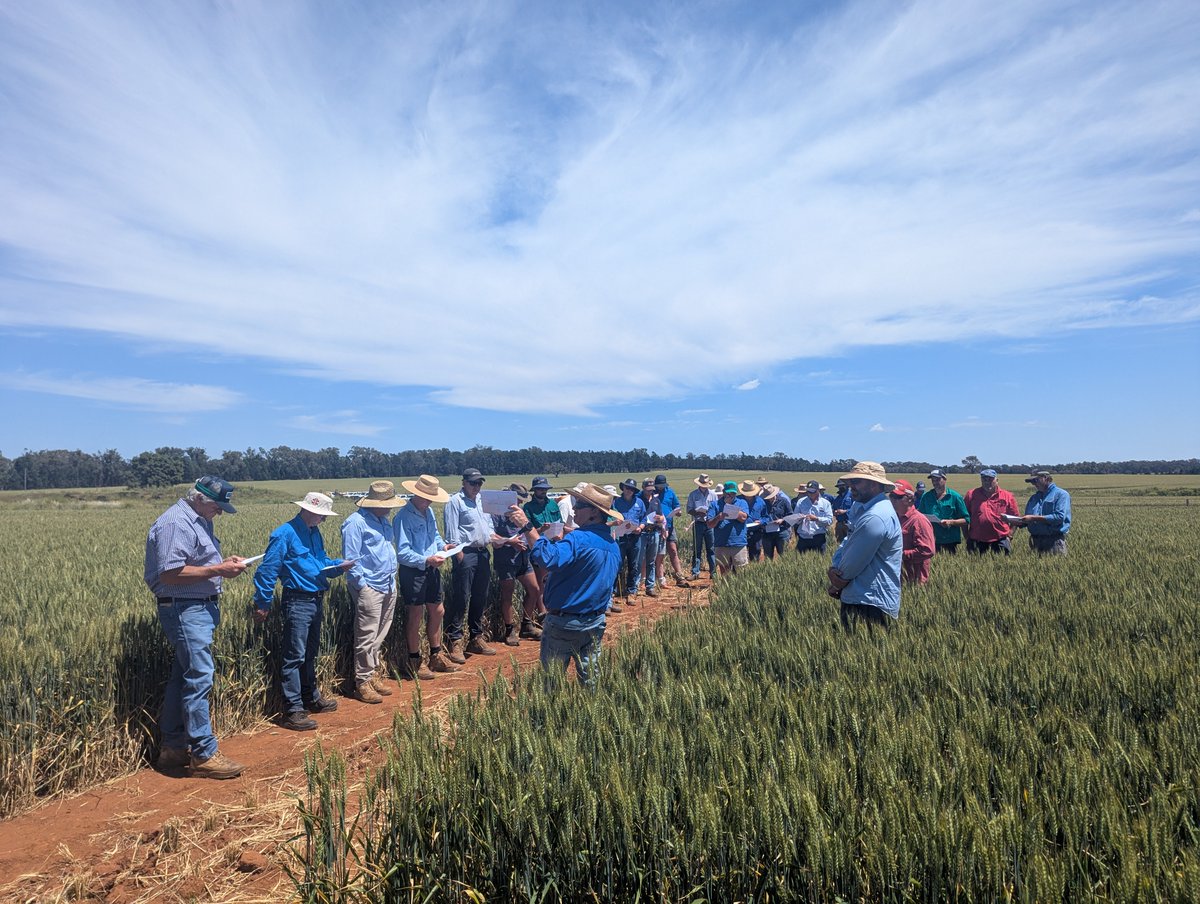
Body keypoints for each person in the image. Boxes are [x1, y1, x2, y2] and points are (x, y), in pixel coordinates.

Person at [144, 476, 248, 778]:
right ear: (199, 498)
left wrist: (222, 563)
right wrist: (218, 569)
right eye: (217, 506)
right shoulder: (176, 523)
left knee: (183, 678)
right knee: (200, 677)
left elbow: (194, 562)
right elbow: (170, 573)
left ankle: (173, 749)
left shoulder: (199, 519)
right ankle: (203, 754)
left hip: (196, 608)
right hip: (184, 609)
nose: (220, 512)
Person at [253, 492, 352, 731]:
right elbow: (267, 570)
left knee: (310, 652)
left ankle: (311, 698)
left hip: (316, 599)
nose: (324, 520)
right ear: (308, 510)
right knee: (294, 655)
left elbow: (321, 563)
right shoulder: (284, 534)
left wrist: (338, 566)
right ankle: (293, 710)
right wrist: (263, 603)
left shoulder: (314, 532)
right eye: (321, 515)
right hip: (297, 600)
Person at [507, 483, 621, 687]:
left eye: (580, 505)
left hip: (565, 623)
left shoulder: (579, 539)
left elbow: (547, 558)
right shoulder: (612, 546)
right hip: (595, 622)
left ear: (594, 513)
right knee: (590, 682)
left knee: (552, 685)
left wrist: (527, 526)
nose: (574, 508)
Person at [340, 481, 404, 704]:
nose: (390, 508)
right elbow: (351, 558)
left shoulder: (384, 521)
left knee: (380, 632)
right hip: (370, 586)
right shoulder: (355, 523)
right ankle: (362, 682)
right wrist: (362, 585)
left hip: (387, 584)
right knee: (366, 634)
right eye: (387, 504)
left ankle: (372, 673)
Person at [395, 475, 461, 679]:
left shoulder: (429, 511)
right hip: (413, 571)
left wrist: (444, 547)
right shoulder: (402, 517)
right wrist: (426, 560)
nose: (429, 501)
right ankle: (414, 661)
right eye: (426, 497)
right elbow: (402, 553)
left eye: (431, 498)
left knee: (438, 610)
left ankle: (436, 655)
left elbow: (435, 536)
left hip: (432, 568)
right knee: (415, 615)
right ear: (415, 494)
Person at [826, 462, 903, 632]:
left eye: (856, 482)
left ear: (874, 484)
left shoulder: (875, 516)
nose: (850, 486)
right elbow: (848, 542)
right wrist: (834, 567)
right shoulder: (862, 508)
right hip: (862, 596)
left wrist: (837, 581)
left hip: (869, 600)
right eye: (850, 482)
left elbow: (854, 560)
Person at [444, 468, 498, 660]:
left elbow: (489, 527)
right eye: (473, 483)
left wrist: (497, 539)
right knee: (462, 596)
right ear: (464, 483)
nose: (476, 487)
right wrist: (459, 555)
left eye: (479, 483)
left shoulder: (482, 500)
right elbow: (451, 532)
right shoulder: (455, 501)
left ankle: (476, 637)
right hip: (465, 553)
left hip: (483, 552)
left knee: (480, 596)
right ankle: (455, 640)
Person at [492, 483, 544, 644]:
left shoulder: (521, 512)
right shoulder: (496, 513)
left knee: (534, 589)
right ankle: (509, 630)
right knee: (507, 594)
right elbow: (492, 538)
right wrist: (510, 542)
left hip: (523, 557)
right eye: (518, 499)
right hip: (505, 559)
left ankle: (526, 625)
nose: (520, 502)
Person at [890, 480, 935, 584]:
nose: (893, 500)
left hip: (915, 580)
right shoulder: (894, 517)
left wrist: (900, 554)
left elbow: (927, 550)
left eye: (897, 497)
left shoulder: (919, 521)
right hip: (898, 578)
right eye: (891, 496)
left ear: (910, 499)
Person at [965, 469, 1019, 555]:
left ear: (997, 480)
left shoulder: (1007, 496)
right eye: (984, 479)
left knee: (1002, 563)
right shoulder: (971, 494)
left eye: (990, 479)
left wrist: (1009, 536)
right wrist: (967, 537)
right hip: (976, 539)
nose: (987, 482)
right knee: (975, 563)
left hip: (1001, 539)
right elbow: (965, 517)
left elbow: (1015, 518)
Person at [917, 469, 970, 554]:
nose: (935, 483)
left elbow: (966, 520)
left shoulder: (955, 497)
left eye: (938, 479)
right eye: (933, 480)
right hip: (930, 540)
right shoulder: (926, 497)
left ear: (945, 479)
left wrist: (950, 522)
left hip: (950, 541)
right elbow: (919, 516)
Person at [1019, 470, 1071, 555]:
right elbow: (1028, 517)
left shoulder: (1061, 494)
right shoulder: (1033, 498)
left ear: (1046, 478)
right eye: (1032, 481)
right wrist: (1019, 521)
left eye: (1036, 480)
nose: (1034, 484)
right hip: (1036, 542)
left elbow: (1059, 517)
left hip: (1054, 542)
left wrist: (1033, 518)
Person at [706, 480, 751, 574]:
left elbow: (743, 518)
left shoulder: (742, 502)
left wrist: (731, 508)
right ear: (723, 492)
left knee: (741, 572)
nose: (730, 495)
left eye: (733, 493)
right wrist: (718, 517)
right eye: (728, 493)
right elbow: (709, 524)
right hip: (721, 543)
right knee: (724, 572)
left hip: (738, 543)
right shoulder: (714, 504)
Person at [613, 478, 646, 601]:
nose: (629, 490)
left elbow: (644, 518)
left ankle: (632, 590)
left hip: (635, 537)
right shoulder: (616, 502)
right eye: (627, 488)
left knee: (634, 565)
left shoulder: (639, 502)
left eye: (632, 489)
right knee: (618, 564)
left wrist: (640, 528)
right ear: (623, 488)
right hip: (621, 537)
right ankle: (616, 590)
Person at [653, 474, 689, 587]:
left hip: (669, 526)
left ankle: (679, 575)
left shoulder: (670, 492)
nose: (661, 488)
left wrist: (678, 512)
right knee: (659, 553)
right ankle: (659, 577)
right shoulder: (651, 493)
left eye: (662, 486)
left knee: (673, 550)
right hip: (655, 527)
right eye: (659, 486)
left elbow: (677, 507)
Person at [686, 474, 718, 578]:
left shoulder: (713, 495)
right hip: (698, 523)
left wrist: (710, 513)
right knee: (697, 549)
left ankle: (713, 572)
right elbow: (689, 509)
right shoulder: (693, 495)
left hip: (710, 524)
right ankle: (695, 572)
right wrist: (697, 512)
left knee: (711, 549)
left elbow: (716, 508)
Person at [638, 478, 665, 597]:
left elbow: (661, 516)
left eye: (651, 490)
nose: (650, 492)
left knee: (651, 561)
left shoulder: (656, 500)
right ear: (643, 488)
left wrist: (660, 519)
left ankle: (650, 586)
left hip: (654, 531)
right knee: (639, 560)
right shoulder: (638, 500)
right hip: (642, 533)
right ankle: (636, 586)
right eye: (648, 489)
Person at [793, 480, 834, 555]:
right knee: (800, 560)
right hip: (803, 537)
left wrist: (816, 519)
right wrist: (800, 518)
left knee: (820, 560)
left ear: (818, 490)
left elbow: (830, 520)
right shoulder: (800, 502)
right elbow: (795, 518)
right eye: (808, 491)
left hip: (819, 537)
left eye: (813, 491)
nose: (810, 494)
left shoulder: (825, 503)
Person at [759, 483, 793, 559]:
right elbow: (759, 515)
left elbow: (791, 515)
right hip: (767, 533)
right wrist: (761, 521)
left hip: (782, 532)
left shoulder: (783, 501)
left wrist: (782, 520)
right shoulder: (762, 502)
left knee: (784, 556)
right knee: (768, 558)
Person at [745, 478, 769, 561]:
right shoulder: (738, 501)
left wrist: (761, 521)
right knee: (740, 561)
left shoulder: (760, 501)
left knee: (755, 559)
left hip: (756, 533)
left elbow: (766, 517)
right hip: (741, 534)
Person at [831, 479, 853, 543]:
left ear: (847, 486)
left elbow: (857, 509)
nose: (840, 487)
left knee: (851, 543)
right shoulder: (837, 498)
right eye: (839, 486)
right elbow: (833, 509)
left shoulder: (852, 496)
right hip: (839, 524)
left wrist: (845, 511)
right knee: (840, 543)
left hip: (850, 523)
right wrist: (835, 512)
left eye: (842, 485)